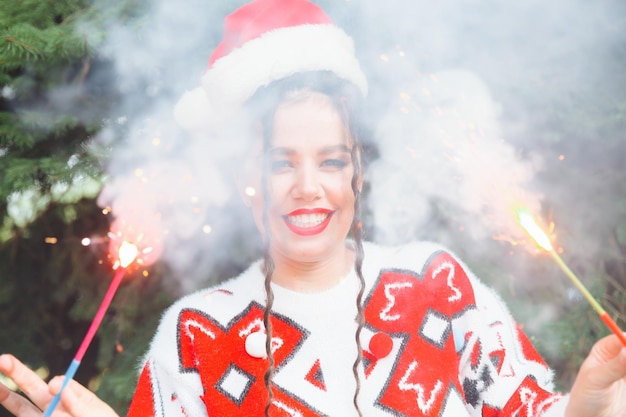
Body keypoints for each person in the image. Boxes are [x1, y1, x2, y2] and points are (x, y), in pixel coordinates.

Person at [1, 0, 626, 416]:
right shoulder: (193, 340)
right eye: (281, 162)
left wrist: (592, 405)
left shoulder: (438, 285)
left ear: (356, 170)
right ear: (249, 176)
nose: (308, 187)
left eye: (330, 161)